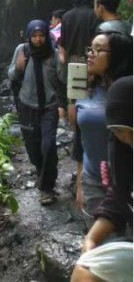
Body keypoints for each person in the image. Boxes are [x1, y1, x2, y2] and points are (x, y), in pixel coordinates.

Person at [71, 75, 132, 282]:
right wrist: (90, 238)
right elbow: (120, 196)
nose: (127, 141)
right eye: (119, 133)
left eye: (131, 133)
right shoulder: (123, 153)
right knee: (83, 270)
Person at [72, 32, 133, 223]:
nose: (90, 54)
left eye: (98, 50)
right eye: (90, 49)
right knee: (99, 244)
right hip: (93, 181)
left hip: (127, 183)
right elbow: (79, 138)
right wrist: (80, 184)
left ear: (117, 56)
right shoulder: (84, 86)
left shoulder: (127, 92)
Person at [8, 20, 66, 205]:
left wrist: (64, 63)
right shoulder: (22, 50)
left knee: (48, 145)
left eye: (41, 35)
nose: (38, 39)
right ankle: (42, 173)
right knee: (33, 149)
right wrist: (17, 68)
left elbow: (62, 80)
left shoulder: (53, 53)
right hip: (26, 106)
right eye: (34, 36)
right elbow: (11, 75)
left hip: (49, 106)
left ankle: (47, 188)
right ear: (29, 36)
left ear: (46, 36)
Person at [59, 0, 100, 65]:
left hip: (71, 63)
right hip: (90, 62)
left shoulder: (66, 16)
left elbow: (62, 44)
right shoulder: (94, 15)